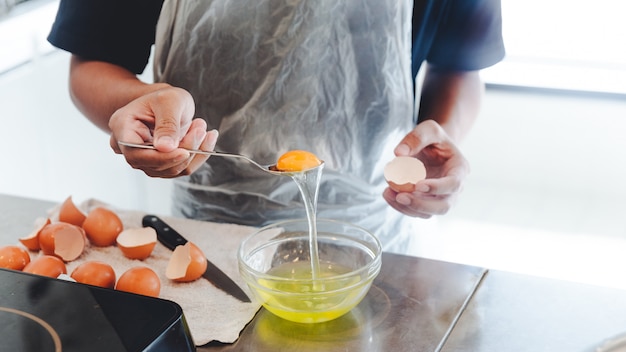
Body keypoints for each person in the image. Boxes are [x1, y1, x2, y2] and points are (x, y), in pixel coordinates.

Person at [47, 0, 505, 255]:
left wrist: (442, 132)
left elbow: (459, 65)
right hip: (203, 232)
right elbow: (92, 62)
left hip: (377, 229)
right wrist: (137, 103)